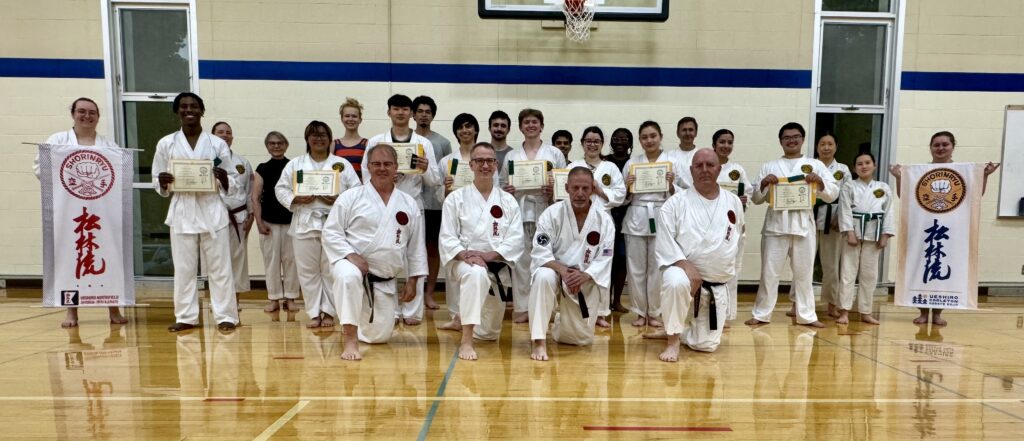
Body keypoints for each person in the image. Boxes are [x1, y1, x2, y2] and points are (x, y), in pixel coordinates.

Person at [324, 144, 427, 361]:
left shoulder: (408, 203)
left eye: (387, 164)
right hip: (351, 263)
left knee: (379, 337)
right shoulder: (351, 197)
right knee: (347, 275)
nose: (382, 168)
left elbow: (416, 246)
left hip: (383, 279)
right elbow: (331, 232)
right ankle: (349, 338)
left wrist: (413, 280)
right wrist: (351, 256)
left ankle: (360, 321)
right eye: (376, 164)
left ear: (396, 167)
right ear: (368, 167)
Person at [890, 131, 1000, 326]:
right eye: (936, 145)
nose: (940, 148)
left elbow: (975, 196)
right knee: (924, 265)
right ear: (930, 147)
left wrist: (985, 176)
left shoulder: (963, 171)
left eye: (944, 144)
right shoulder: (919, 172)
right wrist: (899, 177)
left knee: (944, 266)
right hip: (925, 226)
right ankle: (923, 312)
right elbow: (904, 195)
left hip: (951, 228)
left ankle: (938, 313)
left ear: (952, 146)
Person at [153, 92, 240, 332]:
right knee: (183, 268)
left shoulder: (217, 143)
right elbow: (156, 178)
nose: (188, 110)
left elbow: (234, 180)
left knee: (220, 267)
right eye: (183, 106)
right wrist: (162, 182)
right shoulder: (166, 143)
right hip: (182, 211)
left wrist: (224, 180)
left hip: (212, 210)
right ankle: (186, 316)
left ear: (202, 111)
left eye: (194, 106)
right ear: (177, 111)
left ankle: (226, 316)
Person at [38, 97, 128, 328]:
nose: (87, 116)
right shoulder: (58, 141)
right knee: (71, 257)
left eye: (92, 112)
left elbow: (121, 172)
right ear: (73, 114)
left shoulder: (109, 145)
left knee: (107, 254)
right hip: (69, 210)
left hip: (102, 212)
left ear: (98, 117)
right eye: (82, 111)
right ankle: (71, 313)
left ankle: (114, 309)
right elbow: (41, 168)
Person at [649, 149, 745, 361]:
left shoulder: (733, 202)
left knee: (706, 346)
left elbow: (738, 241)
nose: (704, 170)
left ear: (719, 169)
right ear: (691, 170)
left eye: (710, 165)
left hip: (714, 284)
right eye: (699, 166)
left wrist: (729, 274)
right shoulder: (675, 203)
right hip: (684, 275)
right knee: (675, 281)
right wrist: (685, 265)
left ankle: (677, 330)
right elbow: (664, 241)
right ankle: (672, 340)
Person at [745, 122, 839, 328]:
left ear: (802, 139)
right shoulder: (769, 166)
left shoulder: (815, 165)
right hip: (775, 226)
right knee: (769, 273)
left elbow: (833, 193)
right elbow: (757, 199)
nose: (791, 140)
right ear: (780, 141)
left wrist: (820, 183)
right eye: (786, 137)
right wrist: (762, 184)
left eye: (795, 136)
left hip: (803, 224)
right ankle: (761, 313)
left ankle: (807, 315)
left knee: (804, 274)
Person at [439, 142, 524, 360]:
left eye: (489, 161)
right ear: (471, 165)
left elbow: (515, 239)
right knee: (476, 273)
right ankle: (466, 340)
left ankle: (462, 317)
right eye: (479, 161)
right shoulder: (455, 198)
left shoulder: (508, 200)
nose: (485, 165)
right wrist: (467, 255)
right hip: (465, 263)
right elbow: (447, 237)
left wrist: (487, 256)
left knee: (487, 334)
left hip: (495, 266)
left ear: (496, 165)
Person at [362, 94, 441, 325]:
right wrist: (386, 177)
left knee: (415, 254)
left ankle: (412, 311)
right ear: (389, 112)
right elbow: (366, 175)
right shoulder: (376, 142)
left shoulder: (423, 144)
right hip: (382, 203)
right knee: (386, 254)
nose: (400, 113)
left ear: (412, 114)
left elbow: (434, 181)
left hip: (413, 204)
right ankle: (391, 309)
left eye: (405, 109)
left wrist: (425, 168)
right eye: (396, 108)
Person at [275, 121, 360, 329]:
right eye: (314, 135)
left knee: (331, 270)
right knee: (307, 271)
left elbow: (357, 191)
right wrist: (296, 199)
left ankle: (329, 312)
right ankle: (314, 312)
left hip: (333, 223)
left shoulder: (341, 164)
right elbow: (281, 189)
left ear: (330, 138)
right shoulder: (296, 164)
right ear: (307, 139)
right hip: (304, 223)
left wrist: (338, 199)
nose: (318, 138)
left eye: (323, 135)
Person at [528, 167, 615, 361]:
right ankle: (538, 340)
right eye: (575, 188)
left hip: (584, 279)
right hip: (556, 272)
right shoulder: (551, 214)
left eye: (585, 188)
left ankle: (561, 322)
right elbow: (541, 251)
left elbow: (605, 257)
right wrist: (563, 271)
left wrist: (585, 275)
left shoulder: (604, 220)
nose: (580, 193)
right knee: (543, 276)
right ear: (566, 188)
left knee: (579, 340)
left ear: (593, 189)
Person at [499, 108, 568, 323]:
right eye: (526, 122)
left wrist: (553, 191)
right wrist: (507, 191)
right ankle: (522, 308)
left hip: (546, 210)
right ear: (520, 127)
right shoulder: (511, 155)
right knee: (521, 262)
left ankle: (547, 307)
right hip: (519, 211)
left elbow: (564, 183)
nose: (531, 125)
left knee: (546, 259)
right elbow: (501, 185)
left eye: (535, 122)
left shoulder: (554, 153)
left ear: (541, 126)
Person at [622, 121, 682, 327]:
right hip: (637, 215)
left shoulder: (672, 162)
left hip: (661, 214)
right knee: (636, 268)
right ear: (640, 140)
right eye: (645, 137)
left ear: (660, 136)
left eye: (653, 136)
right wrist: (628, 187)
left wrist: (672, 183)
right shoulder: (632, 163)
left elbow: (683, 196)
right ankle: (640, 311)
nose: (649, 140)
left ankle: (655, 312)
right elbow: (623, 198)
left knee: (657, 268)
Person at [567, 126, 625, 328]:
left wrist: (600, 191)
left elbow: (620, 195)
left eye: (596, 141)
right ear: (582, 143)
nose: (592, 144)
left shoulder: (610, 168)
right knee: (579, 263)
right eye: (588, 140)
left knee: (602, 264)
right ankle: (574, 305)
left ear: (602, 144)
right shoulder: (573, 166)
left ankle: (601, 311)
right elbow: (563, 191)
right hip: (576, 221)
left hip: (602, 222)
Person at [837, 151, 894, 325]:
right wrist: (849, 231)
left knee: (869, 274)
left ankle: (866, 311)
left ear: (874, 165)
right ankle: (844, 311)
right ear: (854, 168)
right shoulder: (849, 186)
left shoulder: (883, 187)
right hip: (853, 230)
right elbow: (844, 209)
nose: (864, 166)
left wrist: (885, 234)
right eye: (860, 164)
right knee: (848, 272)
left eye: (867, 162)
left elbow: (889, 211)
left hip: (874, 232)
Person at [413, 95, 453, 311]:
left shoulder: (442, 143)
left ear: (433, 115)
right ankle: (412, 292)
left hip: (436, 204)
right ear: (413, 114)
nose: (424, 115)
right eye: (420, 111)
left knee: (432, 251)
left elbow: (446, 172)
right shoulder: (406, 141)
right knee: (412, 248)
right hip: (412, 202)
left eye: (428, 112)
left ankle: (429, 293)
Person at [252, 131, 300, 313]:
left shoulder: (294, 167)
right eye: (272, 143)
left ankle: (291, 297)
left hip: (291, 221)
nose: (276, 146)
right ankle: (273, 298)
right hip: (269, 223)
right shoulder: (262, 168)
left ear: (286, 145)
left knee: (291, 261)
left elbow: (300, 191)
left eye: (280, 142)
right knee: (271, 262)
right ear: (267, 146)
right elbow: (255, 197)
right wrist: (259, 222)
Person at [712, 129, 753, 326]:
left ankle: (727, 314)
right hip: (712, 227)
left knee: (732, 272)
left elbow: (749, 194)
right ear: (714, 144)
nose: (726, 146)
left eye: (729, 142)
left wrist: (745, 200)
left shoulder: (738, 170)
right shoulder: (708, 167)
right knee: (713, 270)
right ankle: (712, 310)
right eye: (722, 142)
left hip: (734, 226)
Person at [811, 131, 851, 318]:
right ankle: (797, 303)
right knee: (803, 263)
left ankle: (831, 303)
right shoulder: (808, 166)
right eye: (822, 144)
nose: (826, 147)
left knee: (831, 265)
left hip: (833, 219)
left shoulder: (842, 169)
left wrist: (840, 218)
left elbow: (848, 195)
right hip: (809, 218)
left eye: (830, 144)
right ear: (817, 146)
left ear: (836, 147)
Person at [212, 121, 253, 295]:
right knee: (217, 259)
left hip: (238, 216)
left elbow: (249, 192)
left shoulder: (242, 162)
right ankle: (220, 298)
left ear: (232, 138)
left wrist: (251, 215)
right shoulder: (206, 161)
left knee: (237, 258)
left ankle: (234, 299)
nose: (225, 135)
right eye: (220, 132)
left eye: (228, 132)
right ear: (212, 136)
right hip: (213, 216)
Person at [605, 128, 633, 314]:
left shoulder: (635, 164)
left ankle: (617, 300)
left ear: (630, 143)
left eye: (624, 139)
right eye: (616, 138)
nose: (619, 141)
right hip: (607, 212)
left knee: (622, 259)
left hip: (627, 212)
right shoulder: (604, 162)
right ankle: (604, 299)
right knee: (607, 257)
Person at [332, 97, 369, 179]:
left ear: (360, 120)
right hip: (340, 190)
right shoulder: (334, 144)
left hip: (360, 189)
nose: (350, 119)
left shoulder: (367, 144)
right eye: (347, 116)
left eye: (354, 116)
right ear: (342, 119)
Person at [669, 116, 699, 189]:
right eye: (684, 130)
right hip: (676, 197)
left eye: (691, 130)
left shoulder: (702, 155)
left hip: (697, 196)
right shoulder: (669, 156)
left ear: (696, 133)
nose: (687, 133)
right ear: (677, 133)